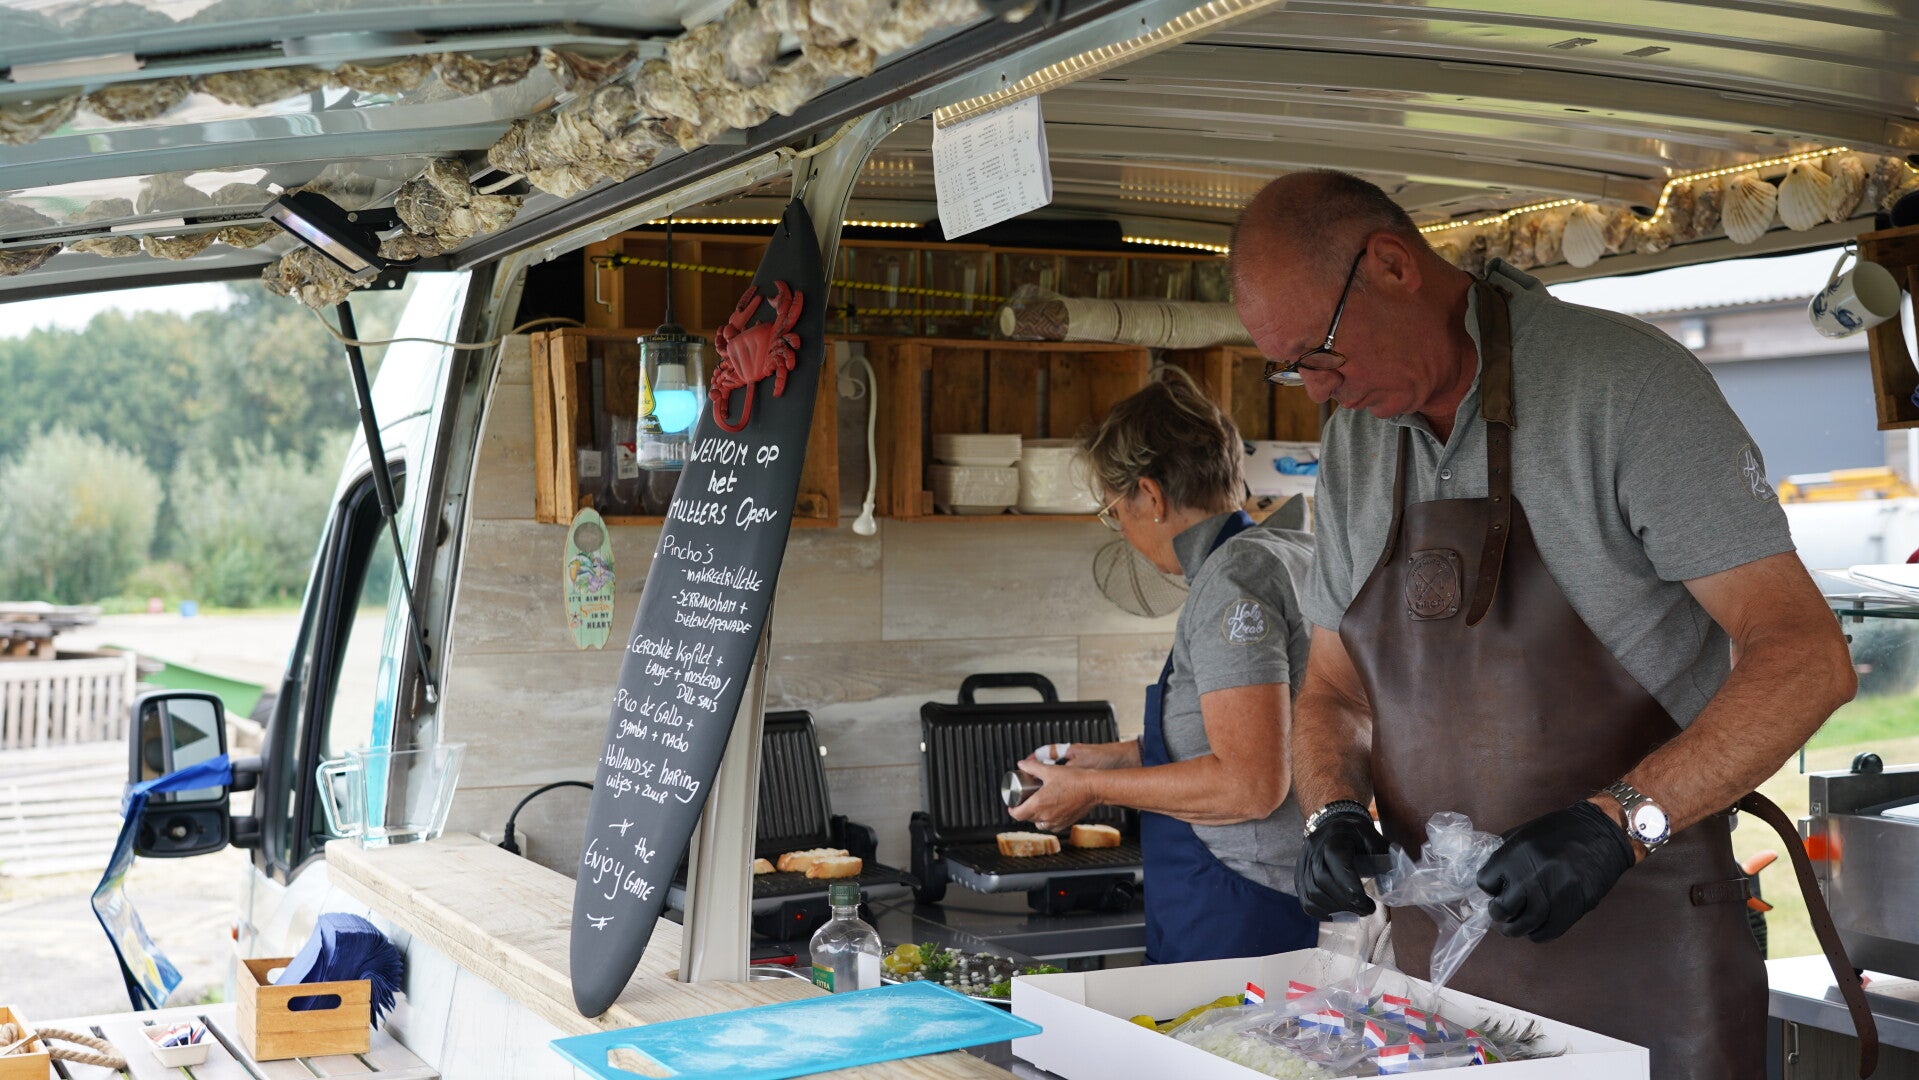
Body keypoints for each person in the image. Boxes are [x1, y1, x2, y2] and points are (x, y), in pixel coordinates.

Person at [1231, 170, 1861, 1079]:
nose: (1317, 392)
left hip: (1645, 960)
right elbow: (1334, 689)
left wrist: (1617, 825)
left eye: (1319, 353)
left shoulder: (1623, 386)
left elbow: (1804, 657)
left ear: (1392, 266)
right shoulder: (1355, 441)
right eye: (1291, 367)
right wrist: (1329, 807)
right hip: (1439, 986)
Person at [1006, 369, 1320, 964]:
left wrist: (1092, 788)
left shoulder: (1232, 582)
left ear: (1150, 496)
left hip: (1243, 908)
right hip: (1283, 894)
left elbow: (1250, 784)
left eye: (1114, 512)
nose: (1122, 531)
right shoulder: (1290, 552)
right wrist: (1118, 757)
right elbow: (1267, 730)